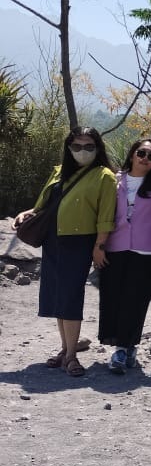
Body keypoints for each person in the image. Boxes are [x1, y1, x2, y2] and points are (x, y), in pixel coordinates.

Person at [14, 126, 117, 377]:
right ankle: (65, 349)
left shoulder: (104, 176)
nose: (82, 151)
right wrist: (26, 213)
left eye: (89, 146)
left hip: (79, 242)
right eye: (77, 146)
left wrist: (99, 247)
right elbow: (42, 205)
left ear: (98, 148)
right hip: (53, 240)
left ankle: (71, 356)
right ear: (69, 148)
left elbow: (106, 217)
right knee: (58, 295)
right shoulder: (59, 172)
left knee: (70, 296)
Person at [98, 138, 151, 374]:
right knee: (113, 297)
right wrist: (99, 246)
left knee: (136, 299)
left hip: (147, 250)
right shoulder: (114, 180)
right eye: (141, 153)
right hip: (116, 246)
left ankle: (122, 349)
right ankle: (127, 346)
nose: (145, 159)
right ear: (132, 154)